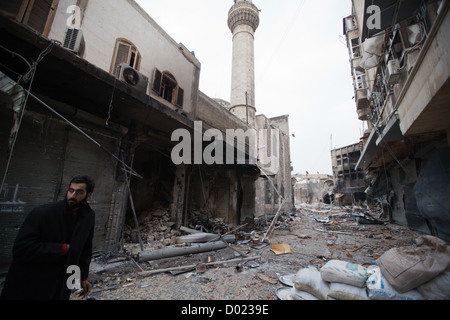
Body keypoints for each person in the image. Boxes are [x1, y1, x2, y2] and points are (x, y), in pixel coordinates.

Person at [1, 175, 96, 300]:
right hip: (33, 281)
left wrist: (83, 278)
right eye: (71, 190)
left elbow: (84, 251)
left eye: (79, 192)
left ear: (88, 195)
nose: (72, 196)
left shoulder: (88, 217)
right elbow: (21, 248)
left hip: (61, 283)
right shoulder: (44, 213)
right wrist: (62, 249)